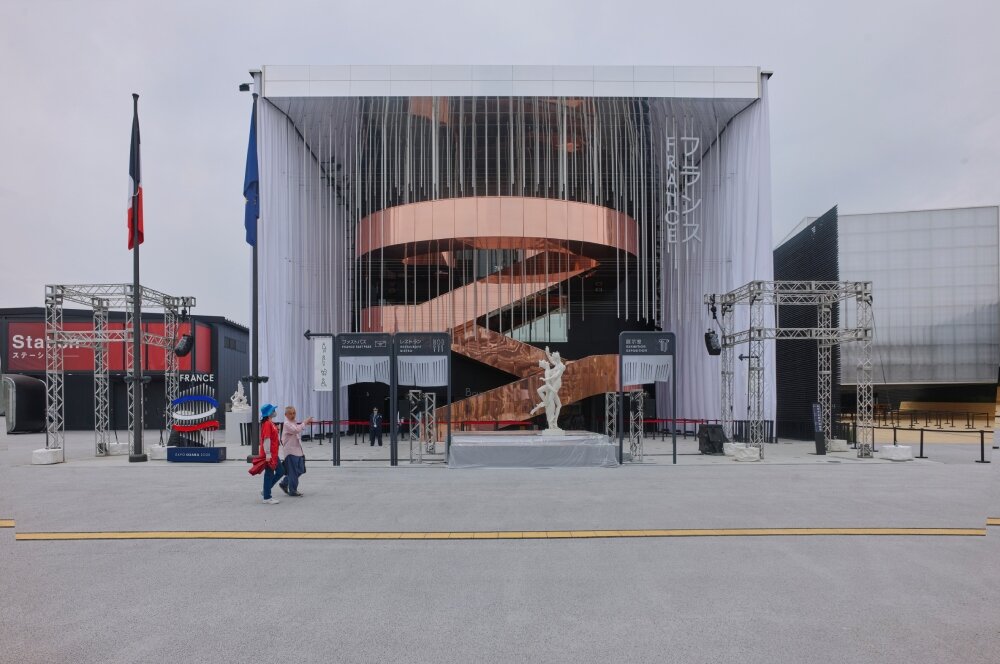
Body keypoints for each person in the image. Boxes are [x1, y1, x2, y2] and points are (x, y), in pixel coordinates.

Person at [278, 406, 314, 497]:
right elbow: (296, 430)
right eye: (290, 413)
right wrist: (305, 422)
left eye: (294, 413)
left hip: (298, 450)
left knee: (301, 469)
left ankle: (284, 483)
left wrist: (304, 424)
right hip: (290, 451)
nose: (292, 415)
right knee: (293, 471)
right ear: (286, 415)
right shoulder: (286, 424)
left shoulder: (293, 422)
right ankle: (293, 490)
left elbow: (297, 428)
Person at [257, 404, 284, 504]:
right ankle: (267, 497)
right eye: (273, 410)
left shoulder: (269, 423)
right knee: (269, 474)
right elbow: (267, 439)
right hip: (270, 454)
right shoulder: (268, 424)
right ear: (269, 413)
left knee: (280, 471)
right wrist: (268, 454)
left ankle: (266, 490)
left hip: (273, 453)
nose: (275, 411)